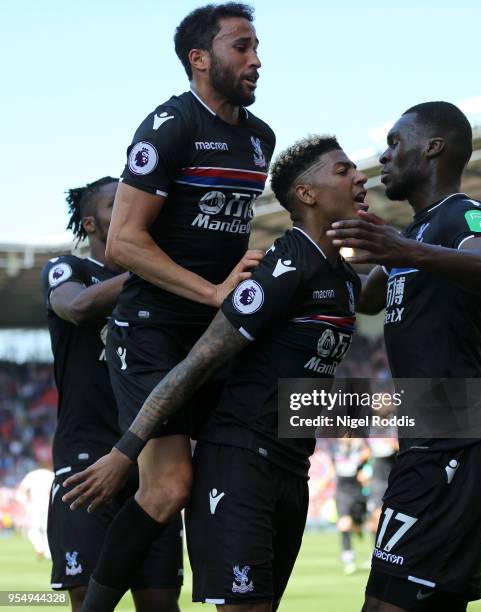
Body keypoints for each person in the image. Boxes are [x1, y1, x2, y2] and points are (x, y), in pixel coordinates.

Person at [63, 134, 368, 611]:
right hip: (241, 465)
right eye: (343, 170)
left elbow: (376, 289)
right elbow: (198, 361)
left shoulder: (342, 278)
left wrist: (408, 248)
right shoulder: (284, 266)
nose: (360, 177)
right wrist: (127, 450)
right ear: (306, 195)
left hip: (293, 467)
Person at [62, 4, 274, 610]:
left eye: (257, 46)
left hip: (215, 337)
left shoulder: (260, 137)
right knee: (170, 486)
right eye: (242, 47)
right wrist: (211, 292)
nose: (256, 60)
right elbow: (126, 242)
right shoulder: (168, 127)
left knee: (227, 473)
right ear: (199, 59)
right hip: (152, 333)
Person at [328, 101, 481, 611]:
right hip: (432, 438)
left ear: (433, 147)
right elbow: (367, 298)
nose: (383, 157)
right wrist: (345, 238)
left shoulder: (462, 212)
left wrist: (398, 249)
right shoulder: (413, 233)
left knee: (385, 603)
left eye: (395, 143)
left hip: (455, 441)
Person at [41, 178, 182, 612]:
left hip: (151, 463)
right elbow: (78, 308)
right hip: (85, 460)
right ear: (90, 223)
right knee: (90, 603)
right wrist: (148, 267)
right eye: (113, 202)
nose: (127, 204)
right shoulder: (69, 269)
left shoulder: (162, 286)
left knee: (160, 602)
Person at [332, 438, 371, 574]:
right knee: (344, 524)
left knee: (358, 525)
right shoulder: (334, 450)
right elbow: (332, 469)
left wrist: (365, 470)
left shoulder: (361, 449)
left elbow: (368, 465)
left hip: (358, 493)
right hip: (342, 492)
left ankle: (358, 529)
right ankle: (348, 557)